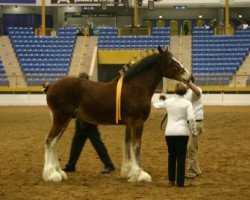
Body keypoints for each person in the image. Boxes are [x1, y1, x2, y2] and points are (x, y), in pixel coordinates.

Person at [64, 73, 115, 174]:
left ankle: (109, 165)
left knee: (97, 144)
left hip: (90, 123)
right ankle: (71, 165)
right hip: (81, 123)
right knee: (76, 145)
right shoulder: (78, 94)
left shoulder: (92, 93)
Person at [153, 83, 197, 187]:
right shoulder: (187, 103)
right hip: (182, 132)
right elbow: (191, 118)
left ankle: (171, 180)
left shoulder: (168, 102)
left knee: (171, 156)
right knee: (181, 157)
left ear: (175, 91)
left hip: (169, 132)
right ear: (185, 92)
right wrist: (194, 131)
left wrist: (162, 98)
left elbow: (156, 105)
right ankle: (180, 182)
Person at [185, 75, 204, 179]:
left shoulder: (195, 90)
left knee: (190, 147)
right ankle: (196, 169)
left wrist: (188, 82)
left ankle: (192, 170)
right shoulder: (186, 93)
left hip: (195, 122)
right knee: (192, 147)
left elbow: (197, 91)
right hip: (190, 123)